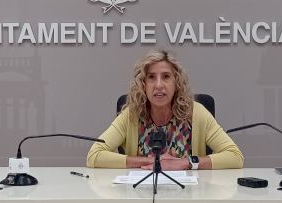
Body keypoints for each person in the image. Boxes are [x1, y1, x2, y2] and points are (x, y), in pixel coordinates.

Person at [86, 49, 243, 169]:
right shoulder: (131, 115)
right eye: (151, 77)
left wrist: (185, 162)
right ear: (143, 84)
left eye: (166, 77)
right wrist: (149, 161)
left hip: (190, 195)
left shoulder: (196, 113)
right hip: (140, 194)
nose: (159, 85)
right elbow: (94, 155)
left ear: (177, 83)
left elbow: (235, 156)